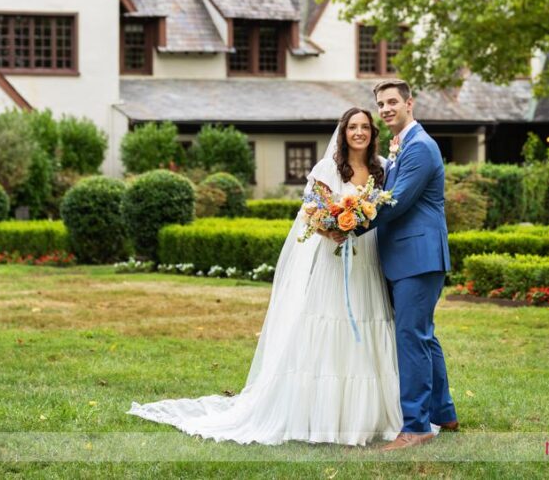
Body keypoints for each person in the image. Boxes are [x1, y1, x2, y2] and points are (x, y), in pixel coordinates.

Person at [126, 107, 402, 446]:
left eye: (365, 127)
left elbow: (389, 207)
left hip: (368, 258)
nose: (359, 132)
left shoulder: (383, 170)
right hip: (334, 261)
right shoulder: (328, 168)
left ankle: (369, 415)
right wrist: (330, 231)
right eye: (352, 127)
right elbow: (311, 212)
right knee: (328, 326)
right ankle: (325, 416)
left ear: (373, 133)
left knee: (369, 324)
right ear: (343, 132)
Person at [342, 79, 458, 451]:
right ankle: (444, 412)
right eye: (381, 103)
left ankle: (416, 426)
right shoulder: (403, 145)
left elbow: (397, 202)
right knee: (423, 336)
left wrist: (347, 226)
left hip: (418, 258)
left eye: (393, 101)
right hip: (407, 258)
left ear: (410, 103)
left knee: (411, 338)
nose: (386, 108)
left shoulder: (421, 147)